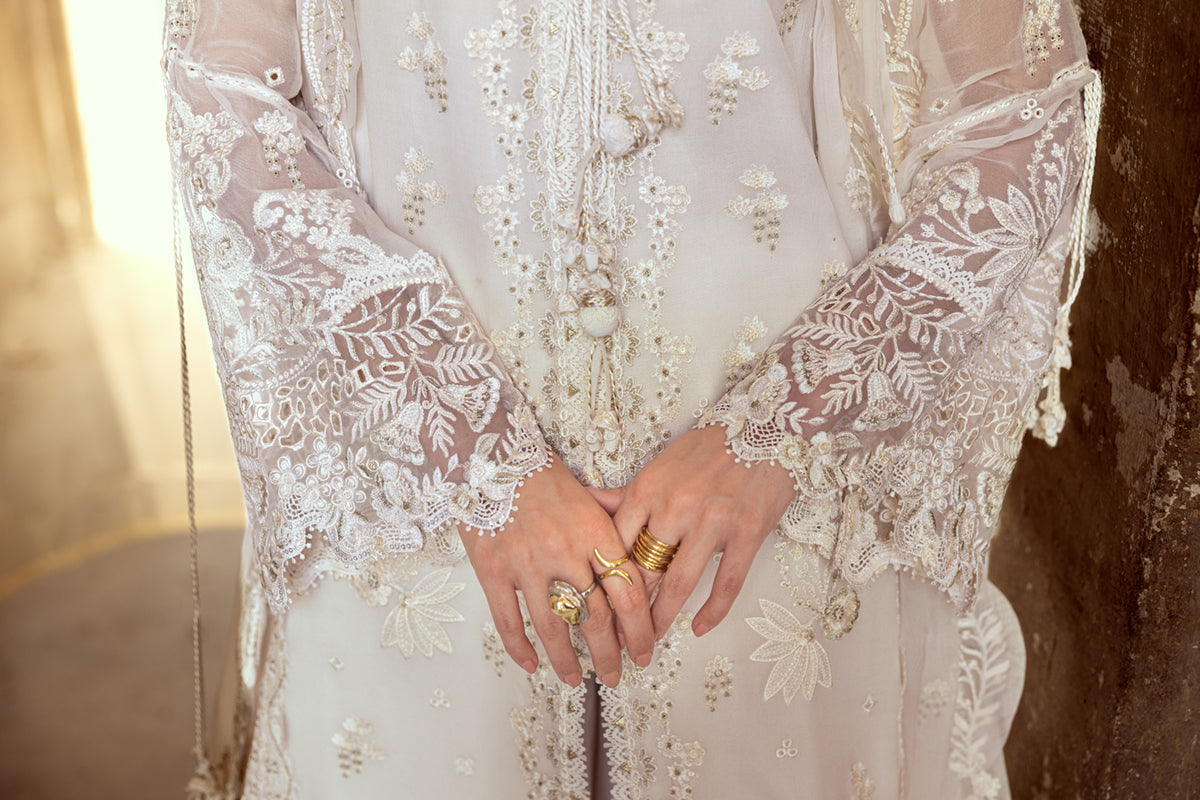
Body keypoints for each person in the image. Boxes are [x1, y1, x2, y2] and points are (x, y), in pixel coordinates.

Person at [164, 0, 1098, 797]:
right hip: (424, 492)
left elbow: (1023, 122)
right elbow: (224, 98)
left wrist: (782, 424)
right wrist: (468, 442)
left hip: (778, 507)